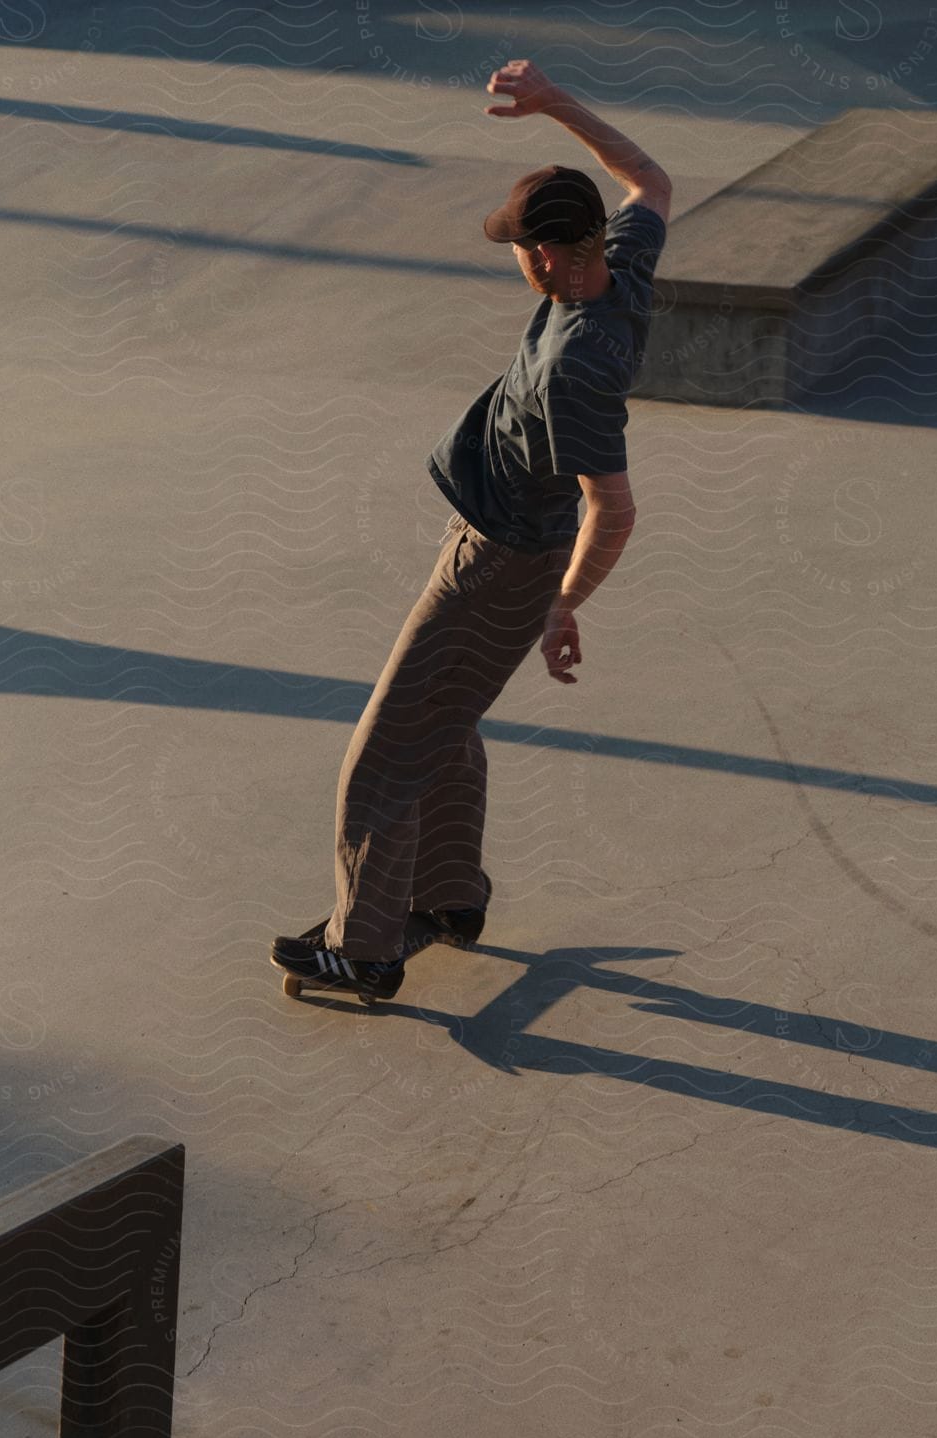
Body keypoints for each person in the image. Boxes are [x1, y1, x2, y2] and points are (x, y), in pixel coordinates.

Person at [272, 58, 671, 1003]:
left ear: (544, 253)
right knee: (445, 726)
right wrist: (556, 103)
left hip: (497, 562)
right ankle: (450, 897)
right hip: (507, 556)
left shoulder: (578, 364)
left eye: (517, 248)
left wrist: (563, 603)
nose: (516, 261)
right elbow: (651, 180)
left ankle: (362, 946)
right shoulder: (622, 266)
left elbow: (613, 507)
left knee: (381, 755)